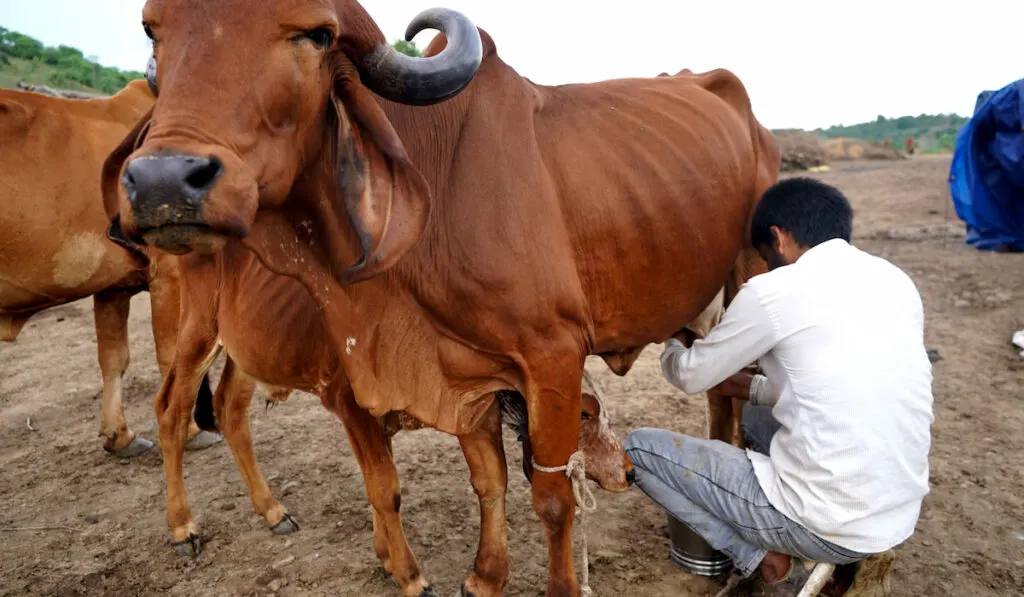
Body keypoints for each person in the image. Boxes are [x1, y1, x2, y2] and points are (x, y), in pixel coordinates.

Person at [623, 177, 934, 596]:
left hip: (829, 523)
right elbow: (836, 384)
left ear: (778, 237)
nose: (766, 266)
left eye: (766, 257)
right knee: (755, 411)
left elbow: (690, 376)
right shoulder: (895, 281)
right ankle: (854, 556)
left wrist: (676, 338)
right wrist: (751, 389)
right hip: (896, 515)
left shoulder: (774, 291)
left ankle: (765, 560)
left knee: (639, 450)